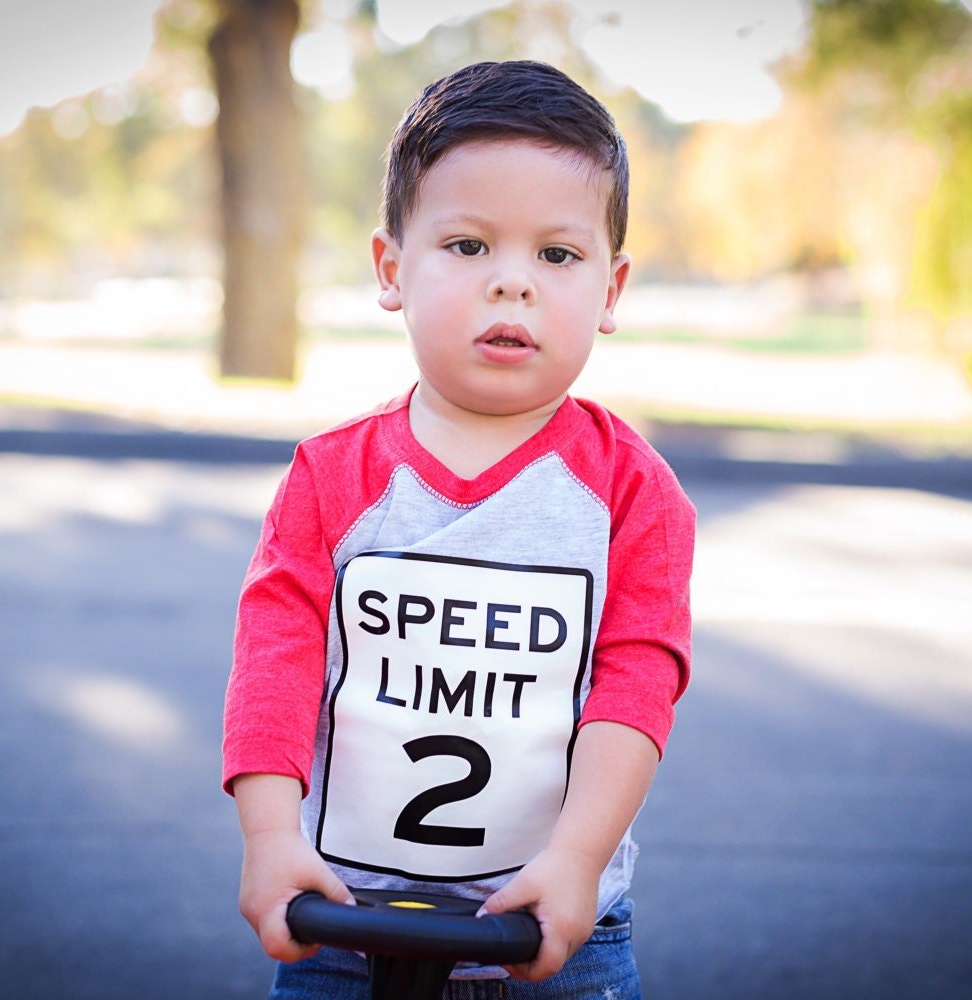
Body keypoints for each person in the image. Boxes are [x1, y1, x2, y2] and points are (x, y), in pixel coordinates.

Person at [223, 59, 694, 998]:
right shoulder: (330, 478)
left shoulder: (632, 493)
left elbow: (636, 686)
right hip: (342, 923)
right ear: (393, 268)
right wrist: (271, 840)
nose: (511, 284)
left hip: (555, 929)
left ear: (612, 289)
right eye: (469, 246)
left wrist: (577, 860)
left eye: (557, 256)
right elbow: (274, 661)